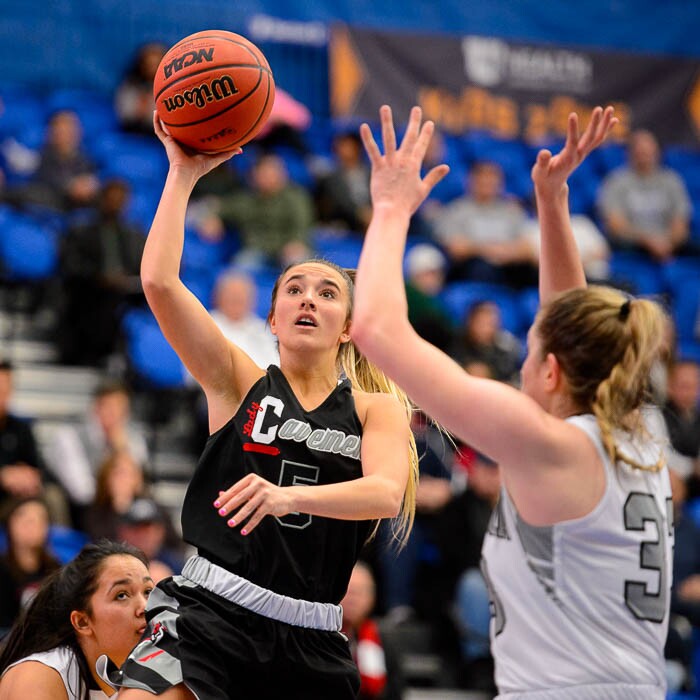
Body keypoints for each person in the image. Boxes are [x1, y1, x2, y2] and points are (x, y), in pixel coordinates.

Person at [352, 104, 674, 698]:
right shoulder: (629, 431)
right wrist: (553, 205)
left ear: (550, 372)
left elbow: (373, 329)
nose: (520, 362)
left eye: (529, 350)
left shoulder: (548, 444)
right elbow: (570, 325)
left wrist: (392, 210)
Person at [106, 111, 419, 700]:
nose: (308, 299)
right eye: (294, 290)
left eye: (327, 293)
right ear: (271, 319)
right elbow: (160, 283)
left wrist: (288, 497)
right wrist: (181, 175)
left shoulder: (378, 409)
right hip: (211, 611)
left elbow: (383, 493)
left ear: (348, 327)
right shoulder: (240, 382)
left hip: (312, 633)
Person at [0, 540, 152, 699]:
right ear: (82, 622)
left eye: (148, 591)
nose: (145, 607)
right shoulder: (37, 675)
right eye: (121, 595)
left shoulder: (147, 671)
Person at [58, 179, 146, 367]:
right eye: (111, 198)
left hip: (124, 294)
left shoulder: (134, 234)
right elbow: (70, 264)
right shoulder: (81, 230)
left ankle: (115, 357)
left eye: (120, 199)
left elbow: (142, 265)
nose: (115, 204)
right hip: (86, 293)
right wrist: (98, 277)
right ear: (102, 198)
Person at [45, 379, 149, 525]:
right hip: (80, 511)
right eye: (110, 407)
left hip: (122, 509)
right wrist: (115, 491)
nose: (116, 415)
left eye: (121, 409)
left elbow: (138, 485)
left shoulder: (134, 440)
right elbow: (81, 491)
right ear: (96, 408)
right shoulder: (70, 436)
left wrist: (121, 450)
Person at [433, 160, 536, 288]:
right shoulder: (456, 210)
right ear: (471, 181)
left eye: (492, 179)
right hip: (475, 267)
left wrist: (506, 253)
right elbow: (456, 248)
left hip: (509, 265)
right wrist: (490, 251)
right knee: (481, 269)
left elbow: (528, 249)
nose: (488, 183)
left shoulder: (512, 211)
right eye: (483, 179)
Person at [598, 128, 693, 261]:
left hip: (670, 249)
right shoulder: (616, 182)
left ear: (657, 152)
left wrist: (666, 243)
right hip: (631, 249)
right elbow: (616, 226)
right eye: (640, 151)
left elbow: (681, 224)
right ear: (630, 153)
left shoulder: (672, 181)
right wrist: (648, 241)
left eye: (648, 151)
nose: (644, 155)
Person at [340, 561, 405, 700]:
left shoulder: (383, 639)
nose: (353, 599)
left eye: (359, 592)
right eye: (348, 591)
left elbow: (395, 692)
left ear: (371, 598)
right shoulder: (318, 637)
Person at [0, 497, 61, 635]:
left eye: (40, 520)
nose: (33, 526)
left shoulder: (56, 567)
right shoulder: (2, 569)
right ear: (9, 524)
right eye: (26, 520)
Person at [115, 42, 167, 136]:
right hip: (131, 134)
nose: (153, 69)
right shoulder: (131, 85)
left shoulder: (170, 88)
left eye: (156, 63)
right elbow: (125, 115)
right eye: (149, 64)